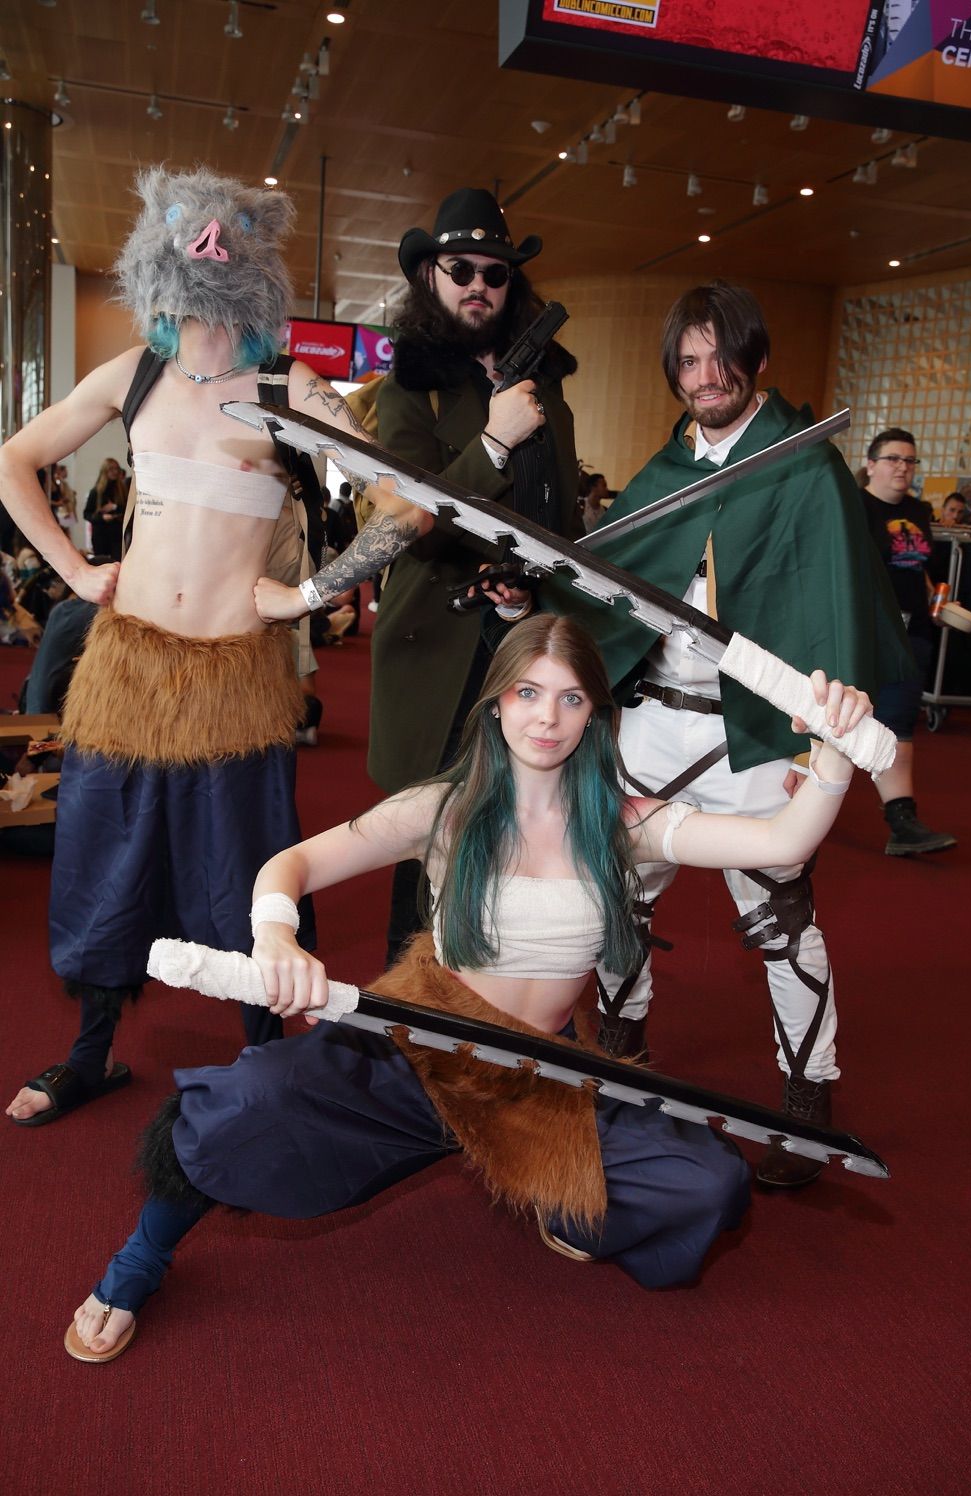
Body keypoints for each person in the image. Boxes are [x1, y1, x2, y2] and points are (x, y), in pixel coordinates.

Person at [64, 613, 872, 1362]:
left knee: (711, 1183)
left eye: (569, 698)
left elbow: (783, 837)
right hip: (419, 1047)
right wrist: (275, 933)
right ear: (495, 705)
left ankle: (564, 1206)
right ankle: (140, 1258)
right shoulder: (445, 808)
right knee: (244, 1107)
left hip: (538, 1073)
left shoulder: (631, 821)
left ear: (595, 712)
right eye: (526, 693)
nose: (545, 718)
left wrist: (833, 750)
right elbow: (292, 864)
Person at [3, 166, 394, 1128]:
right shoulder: (133, 373)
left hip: (236, 682)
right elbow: (14, 460)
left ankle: (263, 1063)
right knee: (103, 862)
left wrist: (309, 595)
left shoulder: (287, 387)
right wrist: (73, 570)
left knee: (243, 871)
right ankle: (90, 1051)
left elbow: (402, 505)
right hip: (125, 669)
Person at [527, 281, 912, 1188]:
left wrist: (818, 752)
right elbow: (604, 595)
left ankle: (808, 1101)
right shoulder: (663, 476)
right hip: (655, 725)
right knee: (619, 898)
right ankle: (620, 1061)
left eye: (721, 358)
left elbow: (835, 613)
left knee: (781, 920)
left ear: (757, 361)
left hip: (761, 736)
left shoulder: (804, 469)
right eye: (689, 362)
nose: (706, 377)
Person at [258, 187, 580, 965]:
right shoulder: (406, 389)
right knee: (425, 831)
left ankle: (497, 998)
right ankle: (408, 1014)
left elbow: (560, 518)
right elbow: (412, 524)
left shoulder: (547, 388)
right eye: (459, 268)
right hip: (432, 639)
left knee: (518, 828)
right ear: (430, 276)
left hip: (523, 640)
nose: (478, 283)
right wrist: (496, 444)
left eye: (495, 272)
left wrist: (534, 593)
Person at [862, 428, 956, 857]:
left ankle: (902, 821)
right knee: (830, 723)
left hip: (911, 632)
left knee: (898, 723)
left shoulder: (919, 509)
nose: (903, 467)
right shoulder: (854, 506)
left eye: (910, 461)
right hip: (863, 630)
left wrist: (939, 599)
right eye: (893, 459)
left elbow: (921, 569)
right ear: (871, 464)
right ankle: (789, 810)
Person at [83, 457, 129, 560]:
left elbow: (127, 510)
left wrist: (114, 507)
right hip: (100, 535)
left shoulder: (122, 490)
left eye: (117, 469)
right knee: (101, 564)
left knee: (117, 564)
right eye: (111, 469)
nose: (115, 472)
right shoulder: (95, 492)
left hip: (116, 535)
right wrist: (102, 518)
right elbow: (86, 514)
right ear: (105, 471)